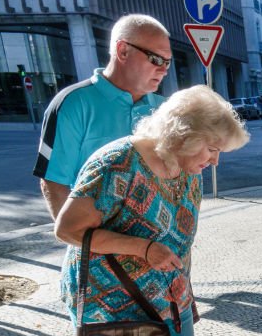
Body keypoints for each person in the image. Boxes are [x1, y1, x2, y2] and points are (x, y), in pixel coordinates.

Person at [53, 86, 250, 336]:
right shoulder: (116, 163)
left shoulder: (184, 170)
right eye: (211, 150)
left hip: (168, 299)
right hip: (112, 304)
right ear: (184, 135)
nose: (213, 162)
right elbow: (67, 229)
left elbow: (180, 239)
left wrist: (184, 285)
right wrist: (141, 248)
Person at [34, 14, 171, 220]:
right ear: (123, 51)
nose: (164, 70)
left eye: (168, 62)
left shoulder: (166, 109)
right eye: (156, 59)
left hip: (157, 244)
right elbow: (53, 183)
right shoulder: (71, 104)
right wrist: (83, 241)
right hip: (100, 241)